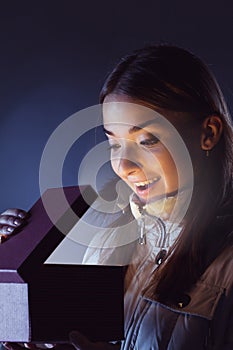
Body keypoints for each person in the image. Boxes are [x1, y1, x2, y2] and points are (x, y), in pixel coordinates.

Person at [1, 44, 233, 349]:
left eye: (147, 140)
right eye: (113, 144)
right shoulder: (101, 235)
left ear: (209, 134)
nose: (123, 165)